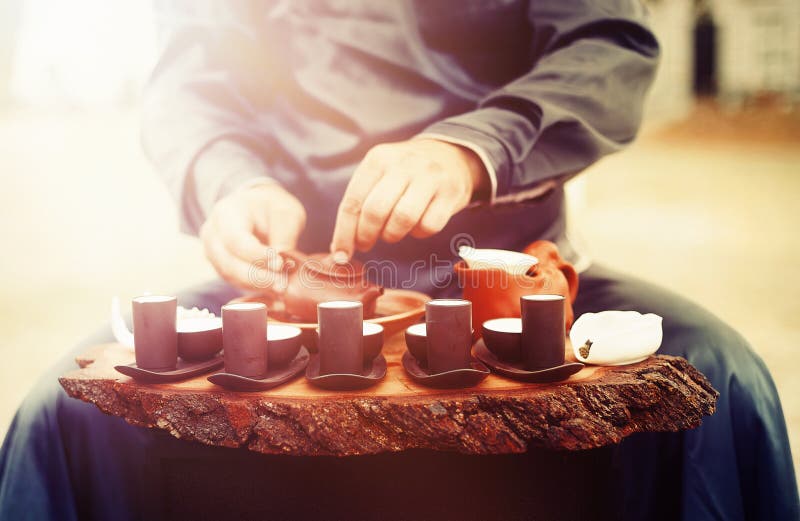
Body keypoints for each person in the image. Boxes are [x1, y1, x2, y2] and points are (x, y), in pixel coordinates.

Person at [1, 1, 797, 520]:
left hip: (505, 280)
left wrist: (475, 148)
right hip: (288, 287)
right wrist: (227, 180)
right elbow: (193, 77)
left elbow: (610, 46)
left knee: (722, 382)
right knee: (60, 417)